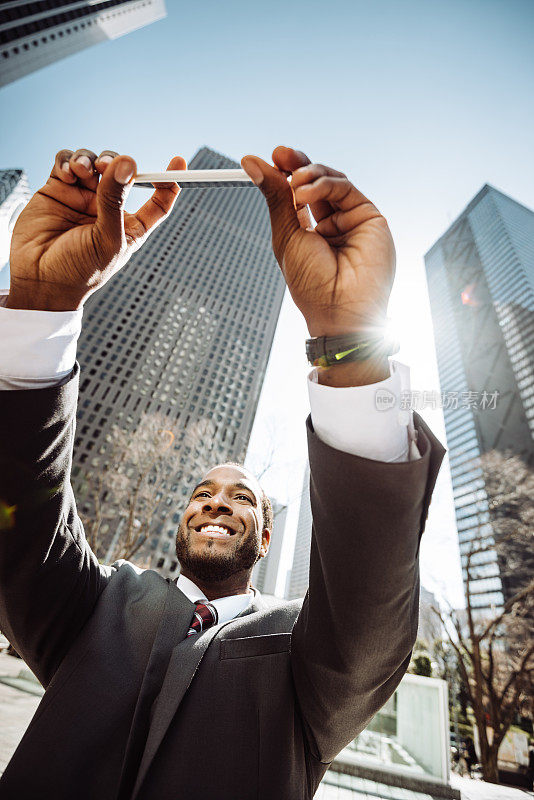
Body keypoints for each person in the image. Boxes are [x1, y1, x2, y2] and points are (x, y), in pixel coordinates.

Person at [0, 145, 445, 799]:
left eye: (241, 498)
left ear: (266, 538)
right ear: (181, 519)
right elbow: (19, 512)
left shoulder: (308, 656)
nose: (215, 503)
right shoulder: (93, 608)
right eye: (202, 492)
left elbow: (369, 595)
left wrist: (348, 341)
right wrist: (40, 303)